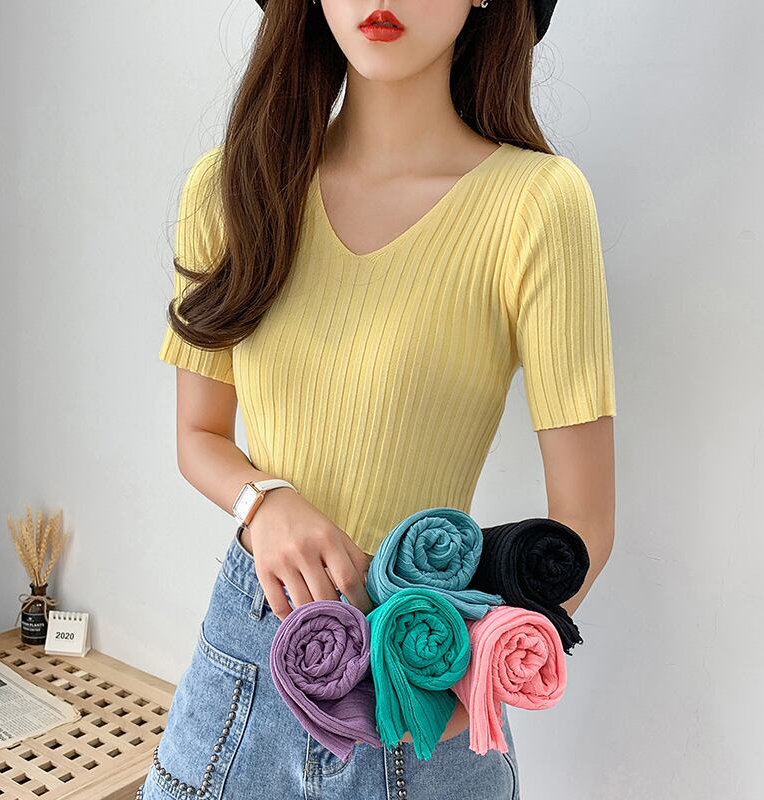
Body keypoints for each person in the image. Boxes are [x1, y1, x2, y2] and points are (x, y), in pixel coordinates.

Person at [138, 1, 616, 798]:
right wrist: (264, 502)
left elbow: (585, 524)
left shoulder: (536, 203)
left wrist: (468, 686)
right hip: (242, 681)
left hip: (427, 675)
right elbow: (199, 435)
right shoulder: (230, 188)